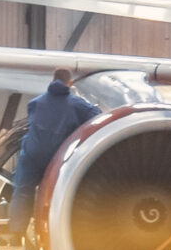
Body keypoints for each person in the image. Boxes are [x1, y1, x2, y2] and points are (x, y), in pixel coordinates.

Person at [5, 69, 101, 239]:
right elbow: (98, 117)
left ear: (53, 79)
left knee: (22, 190)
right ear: (70, 83)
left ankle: (16, 231)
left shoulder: (35, 103)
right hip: (58, 158)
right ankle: (63, 232)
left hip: (32, 155)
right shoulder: (77, 104)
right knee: (63, 194)